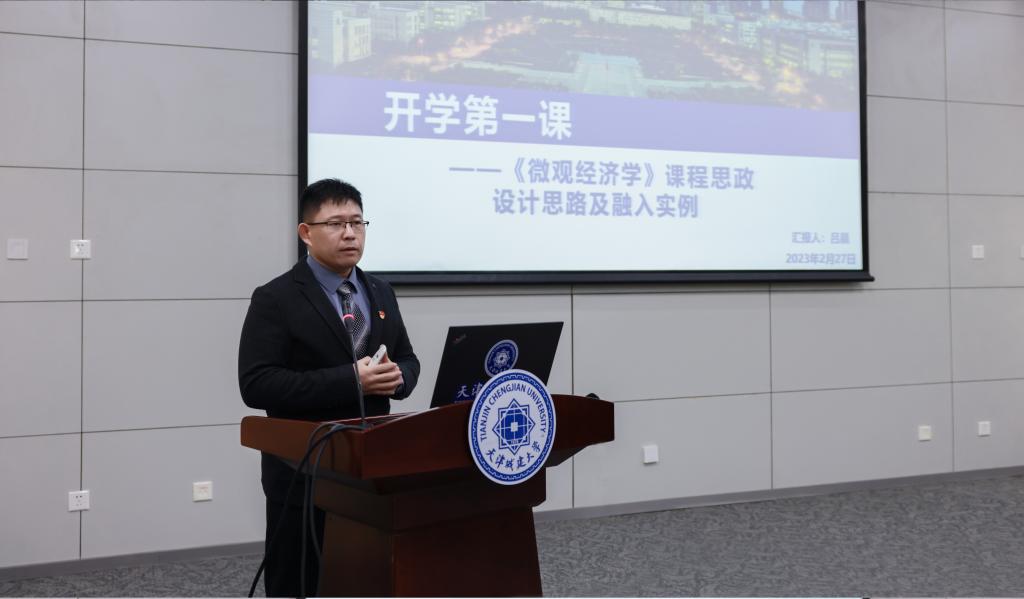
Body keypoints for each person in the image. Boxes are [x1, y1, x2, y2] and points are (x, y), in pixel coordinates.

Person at [238, 178, 419, 597]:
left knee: (363, 580)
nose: (350, 233)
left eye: (358, 222)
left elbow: (408, 358)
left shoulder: (380, 291)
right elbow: (257, 383)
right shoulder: (275, 298)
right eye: (336, 224)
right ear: (306, 232)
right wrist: (351, 380)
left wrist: (400, 378)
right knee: (300, 583)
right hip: (303, 471)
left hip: (371, 468)